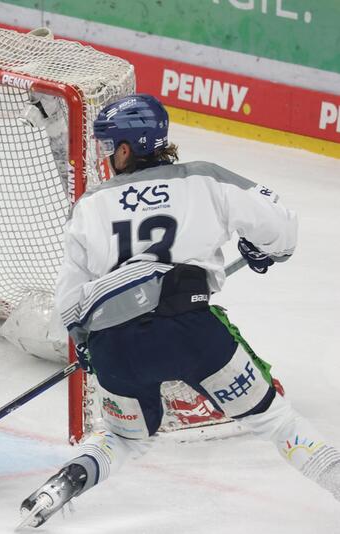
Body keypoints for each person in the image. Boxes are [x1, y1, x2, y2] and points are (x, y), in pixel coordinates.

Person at [18, 94, 340, 527]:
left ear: (127, 149)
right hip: (191, 332)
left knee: (121, 437)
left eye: (110, 145)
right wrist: (263, 249)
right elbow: (284, 228)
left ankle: (64, 483)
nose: (108, 155)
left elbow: (70, 305)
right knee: (273, 419)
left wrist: (86, 343)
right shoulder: (203, 179)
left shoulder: (90, 205)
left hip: (116, 345)